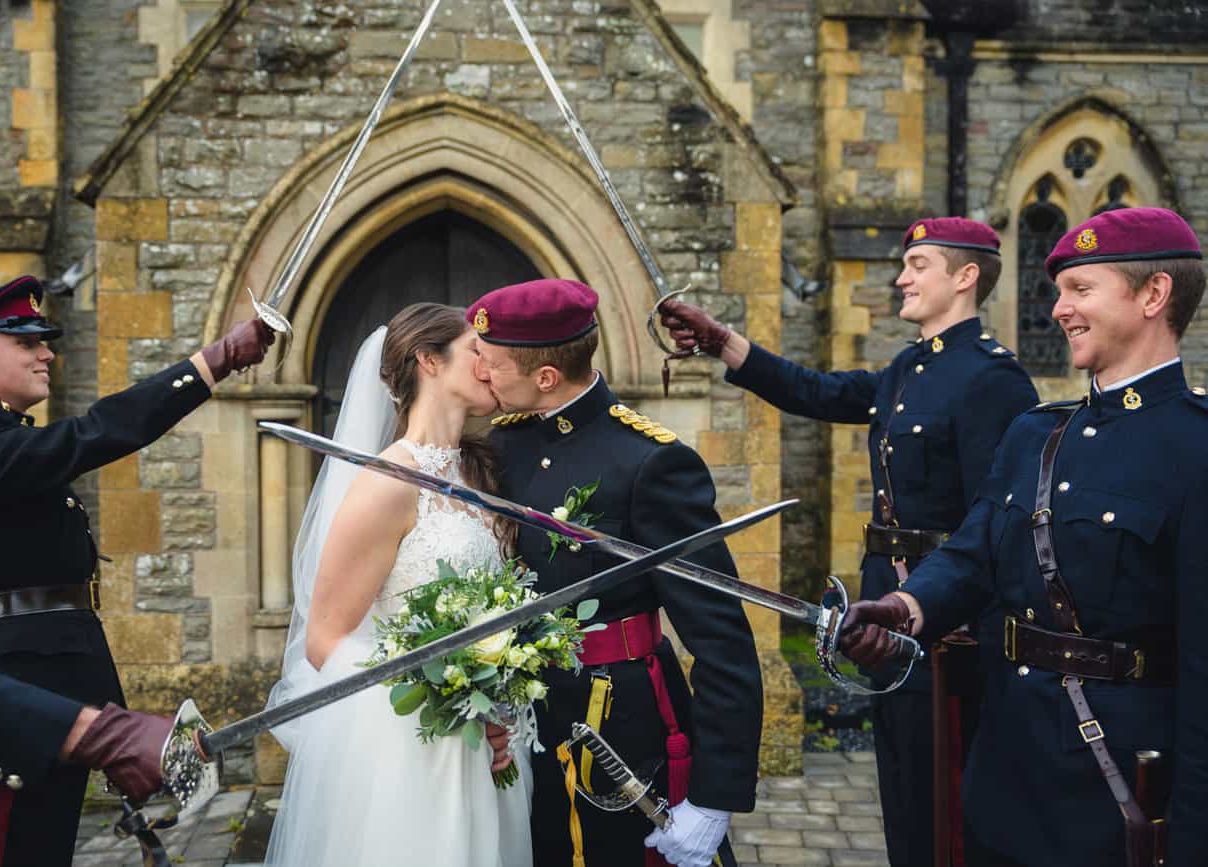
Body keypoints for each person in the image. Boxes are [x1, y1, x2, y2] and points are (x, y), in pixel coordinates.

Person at [660, 218, 1039, 867]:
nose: (902, 276)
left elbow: (994, 523)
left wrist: (951, 616)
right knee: (900, 793)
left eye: (919, 263)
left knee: (946, 809)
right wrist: (721, 343)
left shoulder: (992, 379)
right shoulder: (906, 369)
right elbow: (817, 391)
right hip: (887, 616)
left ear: (966, 276)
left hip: (947, 636)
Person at [839, 206, 1207, 867]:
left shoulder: (1195, 449)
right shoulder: (1035, 436)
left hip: (1113, 799)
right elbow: (973, 552)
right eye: (1059, 290)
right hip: (1002, 780)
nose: (1059, 307)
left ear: (1154, 294)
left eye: (1080, 289)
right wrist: (903, 609)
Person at [0, 274, 273, 867]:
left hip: (51, 680)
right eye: (27, 342)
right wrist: (214, 363)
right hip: (14, 694)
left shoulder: (3, 441)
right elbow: (97, 433)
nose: (47, 353)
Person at [468, 279, 763, 867]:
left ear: (545, 377)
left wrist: (712, 799)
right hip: (528, 718)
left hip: (623, 722)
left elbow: (722, 638)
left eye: (490, 362)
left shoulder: (651, 461)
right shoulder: (502, 447)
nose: (478, 370)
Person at [264, 303, 532, 867]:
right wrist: (449, 694)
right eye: (476, 352)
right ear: (428, 360)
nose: (491, 364)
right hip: (415, 746)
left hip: (486, 739)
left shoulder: (480, 472)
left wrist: (490, 697)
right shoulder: (387, 482)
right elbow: (325, 640)